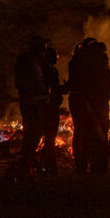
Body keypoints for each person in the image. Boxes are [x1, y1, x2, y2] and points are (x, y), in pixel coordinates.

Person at [13, 35, 49, 178]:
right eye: (43, 48)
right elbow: (25, 84)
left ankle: (27, 165)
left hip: (35, 102)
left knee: (34, 134)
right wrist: (37, 95)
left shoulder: (34, 62)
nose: (44, 52)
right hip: (31, 103)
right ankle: (25, 167)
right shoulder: (27, 62)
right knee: (32, 134)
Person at [84, 40, 110, 174]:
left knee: (95, 136)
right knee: (101, 135)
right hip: (101, 106)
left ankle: (97, 167)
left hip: (96, 106)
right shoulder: (103, 67)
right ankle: (100, 166)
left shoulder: (94, 68)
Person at [39, 46, 64, 175]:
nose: (56, 59)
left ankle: (45, 164)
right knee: (49, 137)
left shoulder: (42, 69)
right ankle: (49, 166)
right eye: (55, 57)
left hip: (47, 106)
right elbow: (54, 89)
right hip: (49, 107)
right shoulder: (49, 70)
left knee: (48, 137)